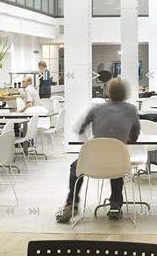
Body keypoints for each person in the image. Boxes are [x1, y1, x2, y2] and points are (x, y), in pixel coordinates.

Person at [57, 77, 140, 223]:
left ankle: (71, 204)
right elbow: (135, 133)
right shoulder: (132, 110)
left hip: (94, 158)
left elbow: (80, 128)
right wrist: (128, 139)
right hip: (117, 159)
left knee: (75, 168)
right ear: (125, 93)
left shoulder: (96, 109)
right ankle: (115, 205)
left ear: (109, 92)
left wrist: (88, 144)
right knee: (117, 168)